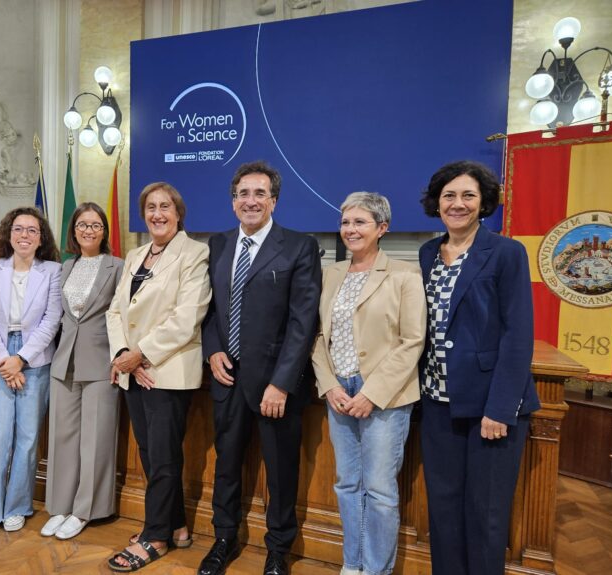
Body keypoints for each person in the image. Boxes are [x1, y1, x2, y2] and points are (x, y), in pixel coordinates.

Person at [417, 161, 540, 575]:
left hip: (490, 407)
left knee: (485, 515)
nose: (457, 204)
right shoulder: (428, 252)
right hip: (437, 402)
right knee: (444, 510)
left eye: (468, 195)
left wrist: (500, 408)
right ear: (437, 202)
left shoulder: (507, 252)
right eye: (449, 196)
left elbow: (517, 334)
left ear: (484, 202)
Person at [200, 161, 321, 575]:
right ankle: (223, 539)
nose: (250, 201)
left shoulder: (298, 246)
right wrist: (213, 349)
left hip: (275, 387)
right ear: (233, 202)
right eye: (243, 194)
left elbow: (303, 322)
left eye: (259, 194)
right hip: (226, 379)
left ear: (274, 200)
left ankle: (278, 551)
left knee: (281, 471)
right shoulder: (217, 245)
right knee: (227, 466)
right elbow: (211, 309)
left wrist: (282, 383)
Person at [311, 192, 426, 575]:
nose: (350, 230)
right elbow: (317, 337)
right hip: (338, 393)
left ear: (382, 228)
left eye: (360, 222)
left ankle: (376, 569)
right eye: (345, 222)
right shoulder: (331, 273)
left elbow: (412, 341)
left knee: (378, 491)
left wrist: (372, 394)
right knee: (347, 484)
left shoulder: (405, 274)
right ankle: (352, 564)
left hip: (384, 396)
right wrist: (329, 385)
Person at [106, 183, 211, 572]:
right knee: (151, 454)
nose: (157, 213)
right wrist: (122, 356)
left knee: (165, 457)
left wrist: (140, 355)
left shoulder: (195, 253)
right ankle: (177, 526)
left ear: (178, 212)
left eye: (165, 206)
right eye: (150, 207)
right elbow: (115, 312)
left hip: (166, 371)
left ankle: (154, 536)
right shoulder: (134, 255)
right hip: (133, 373)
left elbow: (187, 318)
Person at [0, 206, 62, 535]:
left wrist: (20, 359)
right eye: (18, 229)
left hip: (34, 360)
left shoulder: (52, 271)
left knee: (27, 438)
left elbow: (52, 320)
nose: (24, 236)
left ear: (41, 239)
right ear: (8, 235)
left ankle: (18, 506)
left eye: (32, 231)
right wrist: (5, 362)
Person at [40, 202, 124, 540]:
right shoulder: (64, 267)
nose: (89, 230)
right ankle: (59, 506)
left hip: (102, 361)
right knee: (62, 437)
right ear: (73, 231)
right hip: (65, 361)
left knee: (95, 439)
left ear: (104, 231)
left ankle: (85, 510)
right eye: (82, 225)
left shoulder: (117, 266)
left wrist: (120, 356)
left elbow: (123, 314)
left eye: (96, 225)